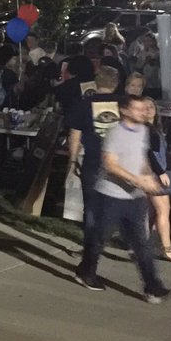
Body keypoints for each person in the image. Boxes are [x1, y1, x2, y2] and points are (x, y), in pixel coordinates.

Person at [74, 93, 171, 303]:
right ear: (125, 111)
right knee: (99, 238)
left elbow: (142, 158)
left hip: (135, 198)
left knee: (141, 244)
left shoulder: (143, 131)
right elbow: (110, 164)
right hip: (111, 195)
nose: (143, 112)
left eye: (144, 109)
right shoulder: (115, 133)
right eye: (138, 109)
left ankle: (152, 287)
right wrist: (137, 180)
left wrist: (148, 177)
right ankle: (86, 271)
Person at [66, 65, 121, 243]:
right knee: (113, 202)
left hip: (92, 160)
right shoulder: (124, 104)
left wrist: (73, 161)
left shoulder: (83, 104)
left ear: (96, 82)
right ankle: (105, 235)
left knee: (90, 204)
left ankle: (90, 243)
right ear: (116, 83)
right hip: (119, 162)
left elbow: (75, 136)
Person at [143, 97, 171, 263]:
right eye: (145, 107)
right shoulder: (146, 130)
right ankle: (166, 248)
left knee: (150, 212)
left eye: (152, 106)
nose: (149, 109)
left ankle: (141, 246)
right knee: (163, 210)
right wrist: (160, 172)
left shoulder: (155, 129)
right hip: (153, 175)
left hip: (154, 173)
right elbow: (149, 153)